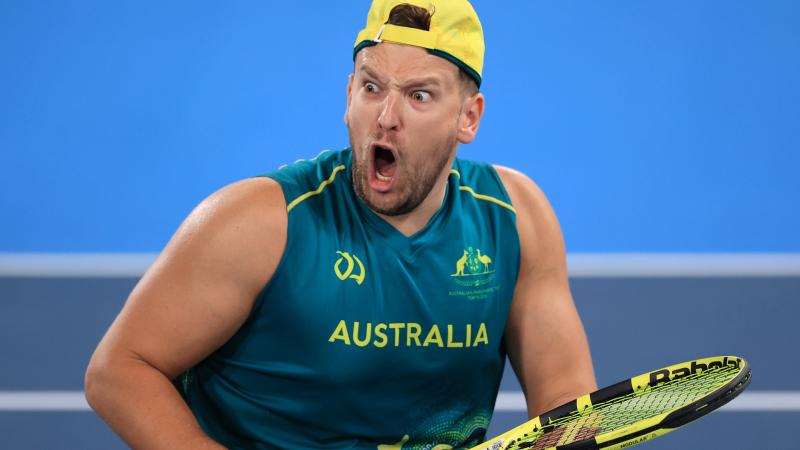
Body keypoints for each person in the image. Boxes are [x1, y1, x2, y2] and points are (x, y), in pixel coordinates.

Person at [85, 1, 596, 448]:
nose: (386, 116)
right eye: (372, 87)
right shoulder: (260, 222)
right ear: (349, 93)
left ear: (469, 117)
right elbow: (119, 371)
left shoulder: (513, 217)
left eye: (419, 95)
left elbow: (567, 406)